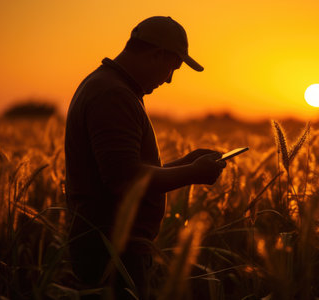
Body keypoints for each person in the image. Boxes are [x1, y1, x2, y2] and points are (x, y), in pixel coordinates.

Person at [64, 16, 226, 299]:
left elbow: (129, 172)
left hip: (112, 248)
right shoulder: (112, 94)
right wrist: (193, 173)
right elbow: (124, 180)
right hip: (113, 252)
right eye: (172, 68)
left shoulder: (111, 86)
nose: (170, 79)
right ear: (157, 54)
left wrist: (187, 163)